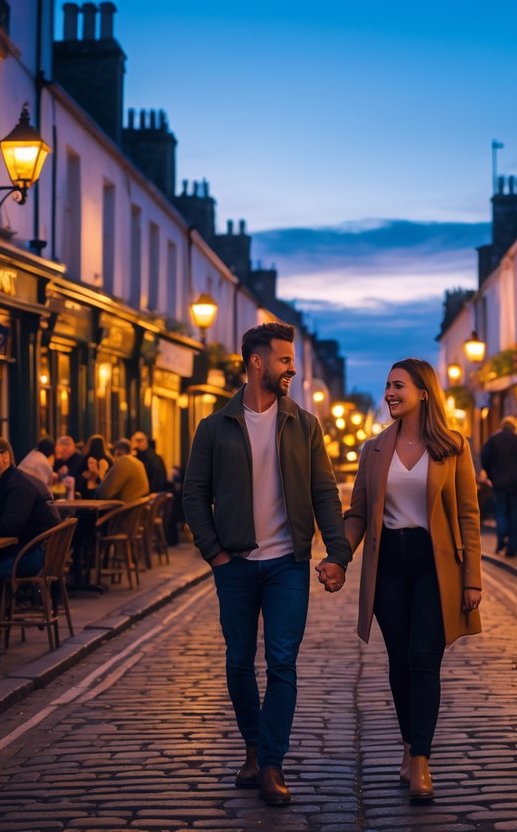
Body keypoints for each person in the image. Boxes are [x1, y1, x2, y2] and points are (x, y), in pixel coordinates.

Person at [184, 322, 352, 808]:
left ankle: (273, 762)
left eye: (293, 360)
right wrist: (213, 551)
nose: (292, 368)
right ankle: (253, 749)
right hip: (234, 564)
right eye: (283, 360)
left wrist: (337, 554)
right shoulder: (215, 427)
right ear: (257, 362)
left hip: (287, 565)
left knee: (281, 663)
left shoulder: (304, 424)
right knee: (239, 662)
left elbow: (325, 492)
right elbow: (194, 494)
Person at [337, 358, 482, 804]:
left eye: (398, 386)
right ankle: (408, 746)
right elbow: (358, 513)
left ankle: (420, 758)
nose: (389, 393)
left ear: (423, 392)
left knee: (424, 658)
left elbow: (468, 516)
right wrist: (338, 559)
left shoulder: (453, 446)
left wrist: (472, 579)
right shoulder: (374, 449)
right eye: (386, 386)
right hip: (389, 568)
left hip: (436, 566)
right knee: (399, 661)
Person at [0, 437, 60, 642]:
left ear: (6, 456)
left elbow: (9, 528)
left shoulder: (18, 485)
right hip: (26, 551)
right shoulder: (6, 482)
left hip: (33, 557)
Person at [479, 416, 517, 557]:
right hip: (516, 482)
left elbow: (484, 457)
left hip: (499, 482)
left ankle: (502, 539)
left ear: (502, 426)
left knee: (501, 512)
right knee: (516, 514)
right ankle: (513, 547)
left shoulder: (493, 440)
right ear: (513, 428)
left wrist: (490, 474)